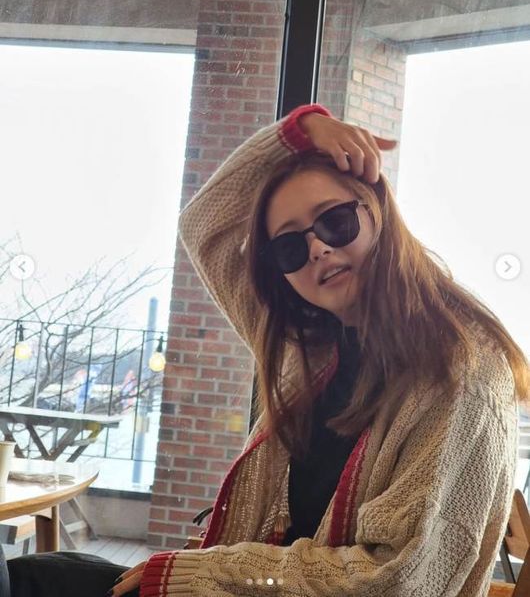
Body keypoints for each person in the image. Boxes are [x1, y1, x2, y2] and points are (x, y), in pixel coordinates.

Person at [5, 110, 529, 597]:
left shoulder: (461, 371)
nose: (317, 248)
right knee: (31, 575)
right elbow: (206, 226)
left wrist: (203, 572)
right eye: (290, 246)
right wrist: (299, 131)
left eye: (335, 221)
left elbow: (399, 579)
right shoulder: (311, 345)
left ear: (379, 215)